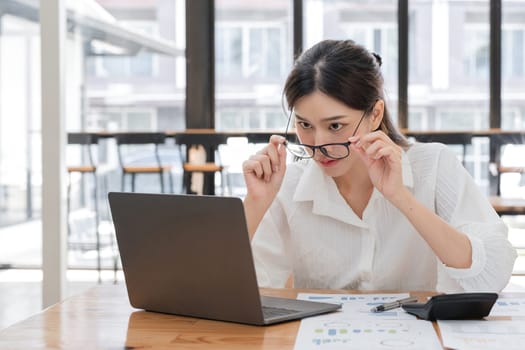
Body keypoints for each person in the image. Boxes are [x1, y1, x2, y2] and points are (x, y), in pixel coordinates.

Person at [242, 39, 516, 292]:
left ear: (375, 114)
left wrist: (401, 197)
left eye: (335, 125)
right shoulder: (288, 185)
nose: (319, 144)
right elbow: (236, 291)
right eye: (305, 125)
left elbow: (493, 274)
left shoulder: (434, 165)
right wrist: (255, 204)